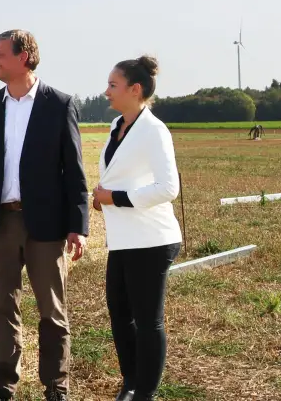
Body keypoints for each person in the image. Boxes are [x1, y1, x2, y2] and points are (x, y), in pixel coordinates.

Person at [0, 29, 87, 401]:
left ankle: (57, 386)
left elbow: (75, 170)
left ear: (24, 57)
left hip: (46, 226)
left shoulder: (60, 104)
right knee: (2, 306)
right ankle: (3, 384)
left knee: (52, 311)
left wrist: (77, 226)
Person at [91, 57, 182, 401]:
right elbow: (120, 175)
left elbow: (168, 187)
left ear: (135, 89)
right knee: (120, 316)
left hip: (152, 240)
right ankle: (129, 384)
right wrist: (103, 197)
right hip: (123, 240)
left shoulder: (154, 130)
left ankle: (145, 392)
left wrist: (115, 197)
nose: (106, 91)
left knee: (147, 321)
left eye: (113, 85)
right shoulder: (118, 125)